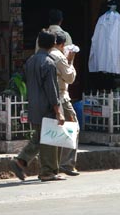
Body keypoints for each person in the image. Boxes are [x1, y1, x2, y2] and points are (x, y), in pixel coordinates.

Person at [9, 29, 65, 182]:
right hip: (46, 108)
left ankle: (21, 161)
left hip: (33, 106)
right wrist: (58, 110)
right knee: (49, 141)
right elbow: (52, 90)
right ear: (53, 45)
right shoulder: (49, 63)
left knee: (39, 137)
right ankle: (47, 171)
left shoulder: (31, 61)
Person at [48, 31, 80, 176]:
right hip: (61, 98)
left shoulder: (45, 54)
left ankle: (53, 166)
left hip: (48, 97)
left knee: (53, 132)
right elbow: (70, 77)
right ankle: (66, 163)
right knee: (73, 127)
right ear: (62, 45)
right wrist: (71, 61)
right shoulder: (60, 57)